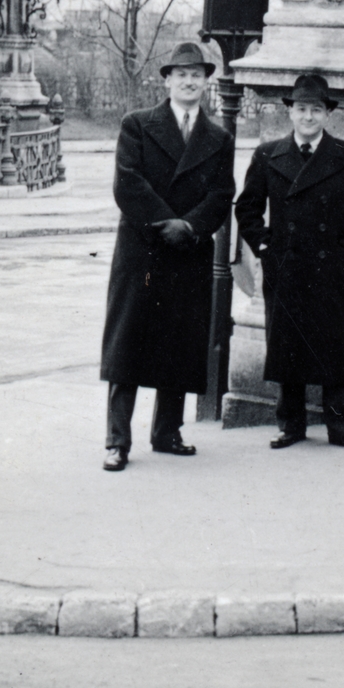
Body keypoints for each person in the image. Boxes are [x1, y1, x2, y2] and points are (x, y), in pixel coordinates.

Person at [99, 42, 236, 472]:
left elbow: (221, 194)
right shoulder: (137, 125)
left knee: (178, 344)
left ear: (206, 81)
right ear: (167, 80)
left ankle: (167, 433)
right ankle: (117, 441)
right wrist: (167, 223)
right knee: (127, 346)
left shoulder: (218, 138)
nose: (189, 81)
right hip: (143, 251)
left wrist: (190, 227)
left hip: (188, 250)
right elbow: (128, 184)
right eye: (181, 74)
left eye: (197, 74)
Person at [235, 73, 344, 450]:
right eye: (301, 108)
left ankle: (340, 424)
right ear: (291, 113)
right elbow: (247, 207)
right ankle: (291, 423)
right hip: (285, 264)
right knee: (287, 343)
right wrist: (265, 246)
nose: (308, 116)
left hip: (328, 265)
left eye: (316, 109)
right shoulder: (267, 154)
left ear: (327, 114)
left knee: (333, 344)